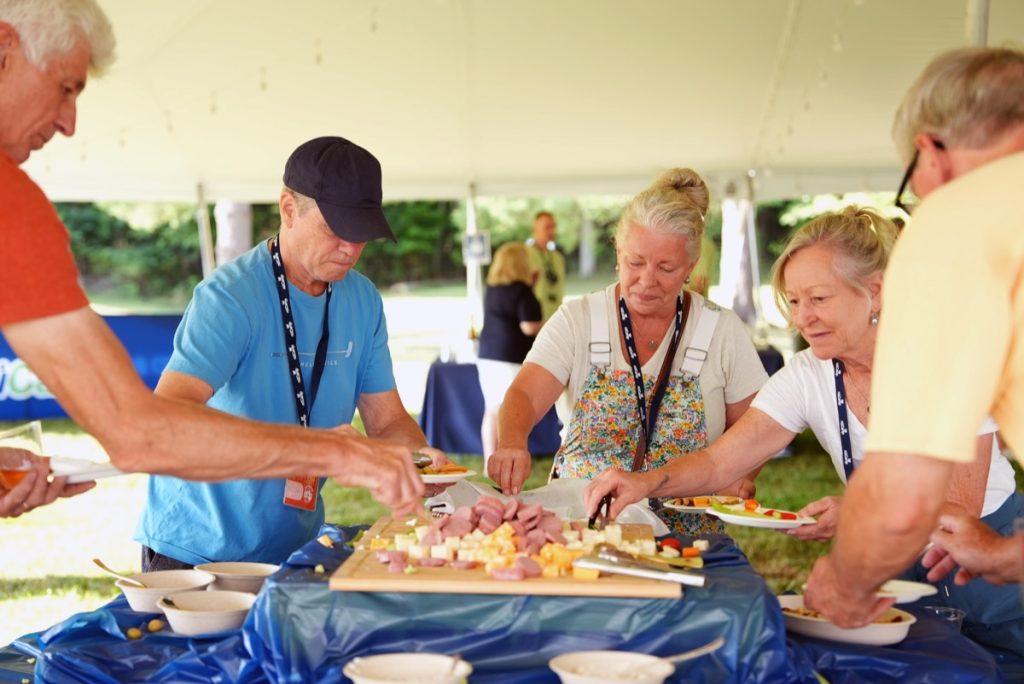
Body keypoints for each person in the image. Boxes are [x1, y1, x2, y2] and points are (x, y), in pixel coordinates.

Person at [0, 0, 425, 521]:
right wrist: (335, 451)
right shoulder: (14, 208)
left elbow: (134, 426)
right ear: (4, 50)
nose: (69, 123)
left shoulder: (12, 204)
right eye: (66, 88)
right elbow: (139, 430)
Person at [584, 207, 1023, 653]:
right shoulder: (808, 373)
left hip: (996, 575)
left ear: (874, 292)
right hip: (897, 577)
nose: (802, 318)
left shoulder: (945, 361)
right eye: (794, 302)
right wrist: (644, 482)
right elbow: (720, 463)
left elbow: (960, 508)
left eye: (819, 298)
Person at [135, 136, 449, 569]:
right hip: (197, 549)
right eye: (336, 229)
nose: (351, 248)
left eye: (362, 233)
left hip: (292, 547)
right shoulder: (230, 297)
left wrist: (418, 462)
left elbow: (388, 420)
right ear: (288, 209)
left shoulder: (363, 300)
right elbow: (168, 417)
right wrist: (316, 448)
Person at [802, 47, 1024, 648]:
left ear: (931, 152)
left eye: (910, 183)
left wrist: (842, 583)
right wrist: (1006, 554)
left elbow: (902, 495)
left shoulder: (957, 224)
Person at [488, 168, 766, 534]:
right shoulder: (578, 319)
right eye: (635, 263)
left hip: (687, 535)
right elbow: (524, 393)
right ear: (618, 253)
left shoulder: (721, 330)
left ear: (691, 266)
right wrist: (512, 443)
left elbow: (755, 430)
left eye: (666, 268)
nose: (647, 280)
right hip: (580, 526)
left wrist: (739, 476)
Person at [477, 242, 543, 460]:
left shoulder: (492, 289)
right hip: (510, 356)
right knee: (510, 410)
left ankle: (489, 459)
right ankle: (508, 457)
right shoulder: (521, 290)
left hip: (487, 354)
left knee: (491, 409)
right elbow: (529, 326)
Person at [526, 211, 566, 322]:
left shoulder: (557, 257)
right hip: (535, 318)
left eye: (553, 226)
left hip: (556, 315)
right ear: (535, 229)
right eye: (547, 227)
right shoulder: (525, 255)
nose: (552, 231)